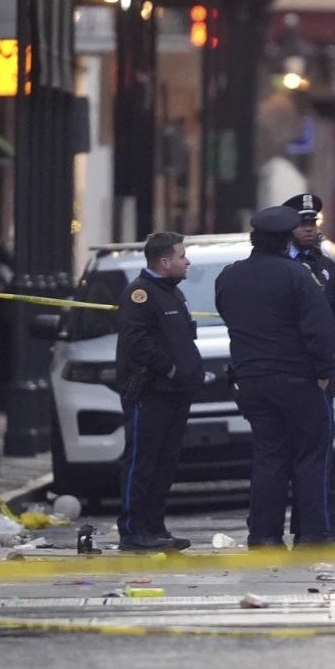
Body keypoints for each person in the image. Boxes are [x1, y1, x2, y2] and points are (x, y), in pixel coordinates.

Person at [215, 205, 335, 548]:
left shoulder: (229, 276)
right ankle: (312, 534)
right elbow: (320, 330)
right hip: (298, 380)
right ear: (287, 241)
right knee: (310, 458)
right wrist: (325, 372)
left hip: (252, 380)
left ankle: (264, 535)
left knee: (269, 457)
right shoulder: (298, 276)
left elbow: (229, 317)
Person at [115, 231, 204, 551]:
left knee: (165, 462)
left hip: (176, 392)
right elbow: (136, 342)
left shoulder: (171, 292)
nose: (187, 261)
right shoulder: (140, 293)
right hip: (151, 392)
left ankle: (155, 526)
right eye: (182, 256)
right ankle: (132, 529)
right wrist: (168, 367)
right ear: (165, 262)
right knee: (142, 461)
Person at [282, 193, 335, 545]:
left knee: (321, 457)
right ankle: (302, 529)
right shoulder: (278, 265)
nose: (308, 230)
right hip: (287, 375)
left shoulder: (328, 269)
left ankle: (325, 527)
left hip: (321, 377)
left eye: (312, 224)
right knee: (288, 459)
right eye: (301, 224)